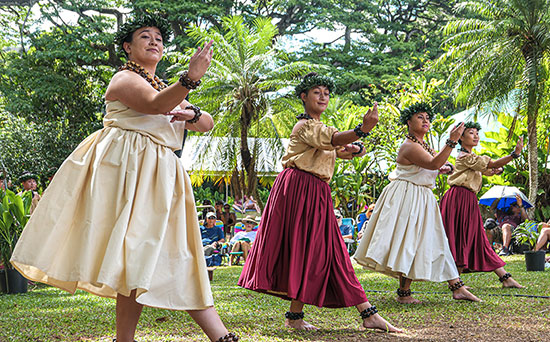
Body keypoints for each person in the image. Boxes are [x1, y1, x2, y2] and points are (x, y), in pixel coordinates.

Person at [10, 13, 238, 342]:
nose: (155, 40)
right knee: (140, 254)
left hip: (161, 177)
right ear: (128, 48)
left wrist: (194, 111)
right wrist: (189, 79)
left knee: (159, 255)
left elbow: (207, 124)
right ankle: (217, 337)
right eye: (145, 36)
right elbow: (154, 104)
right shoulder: (124, 80)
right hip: (131, 175)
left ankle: (139, 340)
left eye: (159, 37)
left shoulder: (166, 87)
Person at [238, 72, 401, 333]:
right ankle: (367, 313)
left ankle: (296, 317)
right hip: (300, 189)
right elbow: (335, 140)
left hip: (314, 191)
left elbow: (339, 147)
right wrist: (362, 130)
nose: (323, 95)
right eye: (316, 91)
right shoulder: (305, 127)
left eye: (326, 91)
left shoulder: (319, 129)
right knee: (318, 249)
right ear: (303, 97)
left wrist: (356, 145)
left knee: (315, 249)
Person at [354, 102, 480, 304]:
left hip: (420, 195)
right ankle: (446, 288)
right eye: (420, 117)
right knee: (410, 240)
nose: (425, 121)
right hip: (407, 195)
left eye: (427, 118)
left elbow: (436, 164)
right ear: (408, 122)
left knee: (427, 239)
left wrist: (444, 167)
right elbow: (433, 163)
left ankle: (453, 286)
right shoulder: (409, 146)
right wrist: (451, 142)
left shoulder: (421, 144)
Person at [439, 122, 523, 288]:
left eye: (477, 132)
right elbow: (490, 165)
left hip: (467, 199)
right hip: (458, 199)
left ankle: (503, 278)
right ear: (461, 137)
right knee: (460, 237)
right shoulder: (464, 157)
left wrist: (497, 168)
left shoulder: (472, 157)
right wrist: (514, 154)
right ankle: (503, 278)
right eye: (471, 133)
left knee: (474, 237)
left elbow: (490, 169)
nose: (476, 136)